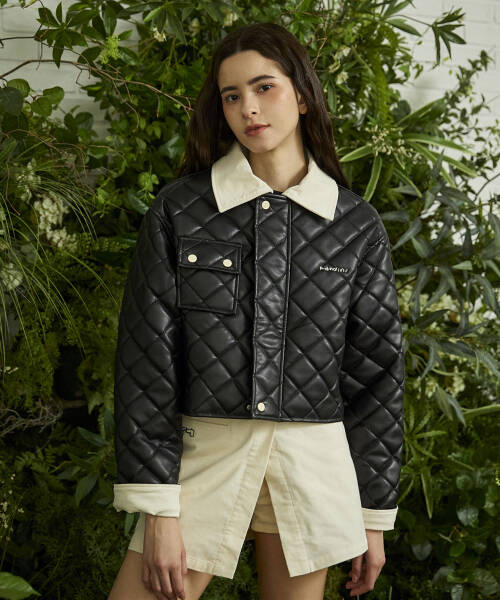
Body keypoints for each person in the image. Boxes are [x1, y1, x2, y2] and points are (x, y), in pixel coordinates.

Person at [108, 22, 405, 600]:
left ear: (302, 94)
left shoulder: (355, 225)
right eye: (232, 95)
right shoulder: (180, 211)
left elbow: (376, 376)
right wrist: (159, 509)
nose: (248, 108)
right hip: (205, 457)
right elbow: (146, 366)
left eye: (264, 87)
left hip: (313, 467)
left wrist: (371, 516)